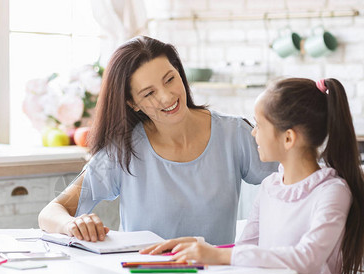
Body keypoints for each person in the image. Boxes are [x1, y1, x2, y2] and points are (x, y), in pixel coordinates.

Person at [38, 36, 276, 245]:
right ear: (132, 103)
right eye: (149, 93)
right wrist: (71, 225)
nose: (166, 96)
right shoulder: (122, 151)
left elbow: (297, 175)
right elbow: (51, 212)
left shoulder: (234, 134)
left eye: (170, 79)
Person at [142, 78, 364, 274]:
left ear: (288, 138)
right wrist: (201, 247)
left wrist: (216, 255)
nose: (253, 133)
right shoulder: (270, 186)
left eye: (259, 125)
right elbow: (245, 249)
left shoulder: (332, 192)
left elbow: (307, 260)